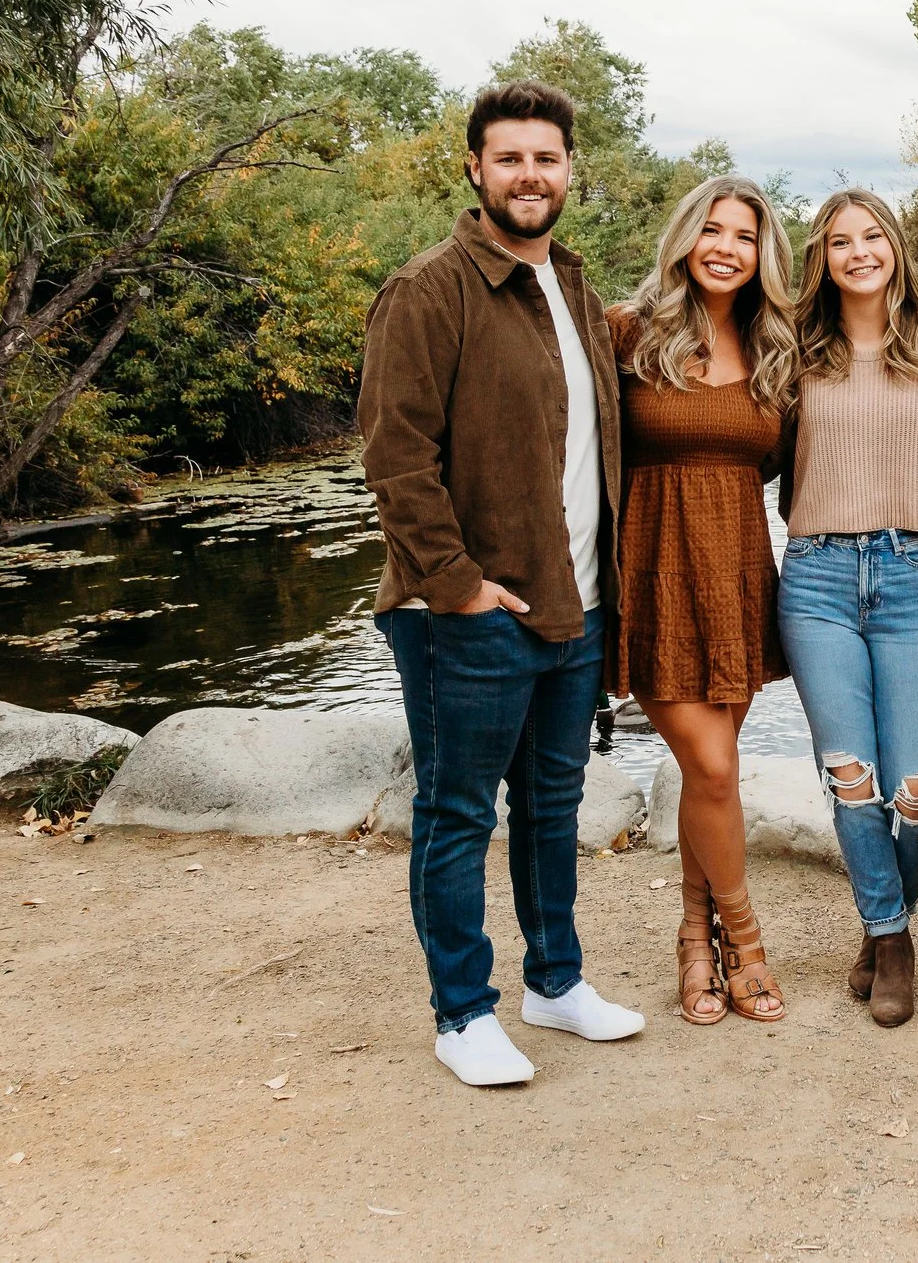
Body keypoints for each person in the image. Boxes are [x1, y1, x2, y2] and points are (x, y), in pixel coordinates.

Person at [358, 79, 647, 1089]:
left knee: (553, 804)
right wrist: (454, 582)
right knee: (457, 812)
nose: (531, 174)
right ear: (475, 169)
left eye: (547, 158)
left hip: (571, 604)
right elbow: (395, 455)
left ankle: (555, 982)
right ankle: (461, 1010)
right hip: (470, 613)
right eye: (511, 158)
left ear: (570, 171)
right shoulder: (429, 289)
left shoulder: (568, 284)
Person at [608, 176, 798, 1027]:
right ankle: (746, 944)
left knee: (702, 773)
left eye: (745, 236)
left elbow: (780, 462)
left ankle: (694, 940)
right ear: (686, 236)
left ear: (764, 254)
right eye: (712, 230)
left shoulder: (775, 348)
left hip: (737, 573)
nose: (726, 246)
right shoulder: (625, 331)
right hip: (650, 571)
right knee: (715, 768)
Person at [775, 189, 918, 1026]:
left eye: (872, 236)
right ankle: (891, 939)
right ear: (822, 257)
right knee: (853, 779)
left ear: (895, 248)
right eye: (840, 241)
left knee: (914, 786)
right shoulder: (793, 357)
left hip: (914, 574)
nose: (858, 252)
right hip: (815, 577)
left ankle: (885, 916)